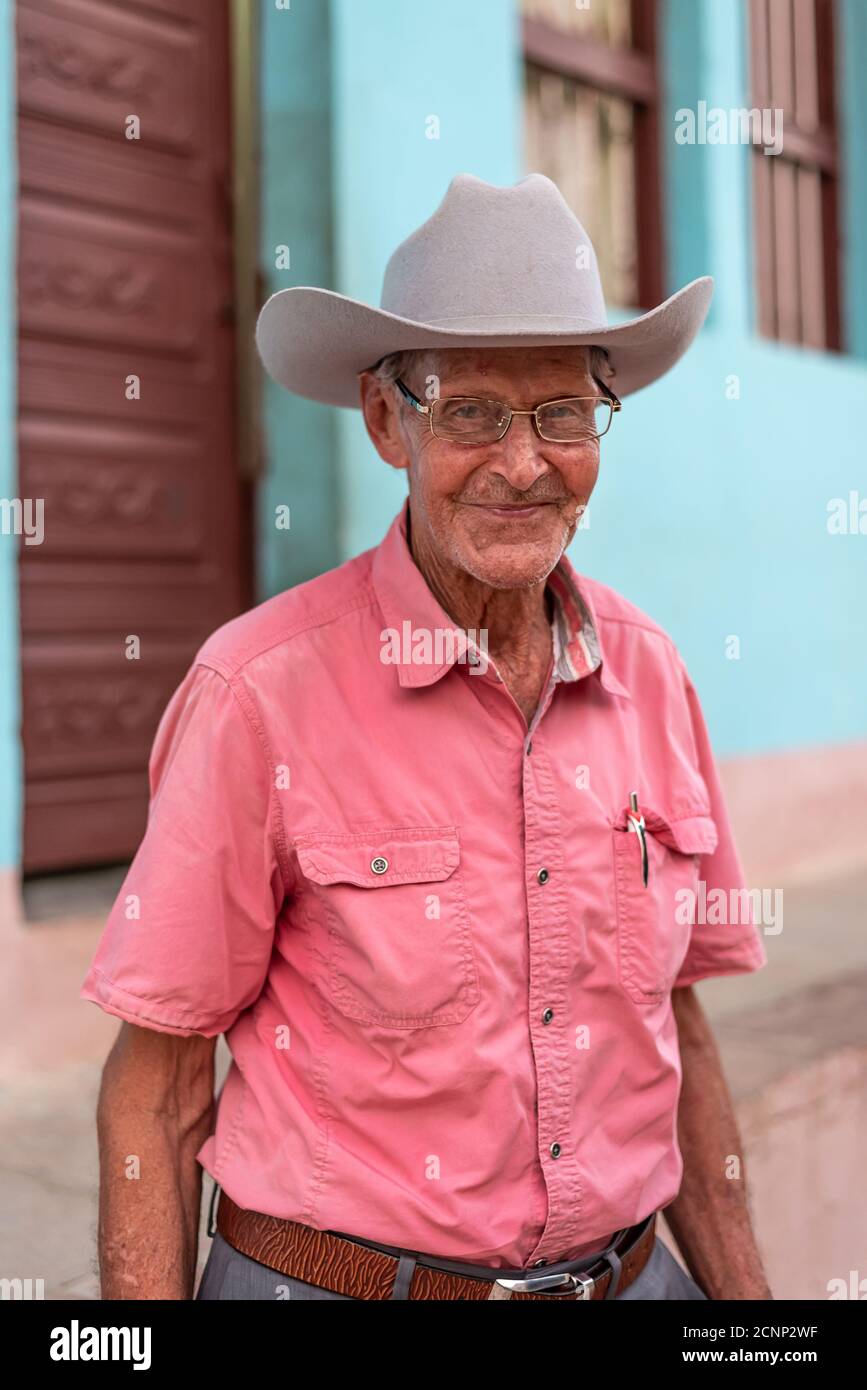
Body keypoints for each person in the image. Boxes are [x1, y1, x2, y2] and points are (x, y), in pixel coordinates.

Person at [81, 173, 771, 1301]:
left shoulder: (649, 669)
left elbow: (673, 1033)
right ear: (387, 419)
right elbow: (154, 1090)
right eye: (471, 412)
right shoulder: (260, 692)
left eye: (560, 413)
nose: (522, 463)